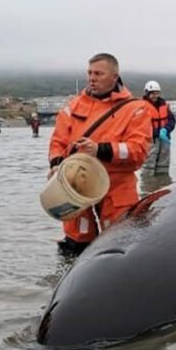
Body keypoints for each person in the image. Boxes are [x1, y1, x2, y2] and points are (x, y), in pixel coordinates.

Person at [48, 53, 151, 255]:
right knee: (74, 244)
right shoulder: (73, 107)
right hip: (76, 186)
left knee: (119, 246)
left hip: (117, 186)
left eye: (98, 73)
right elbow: (58, 141)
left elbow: (138, 151)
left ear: (114, 77)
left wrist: (100, 149)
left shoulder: (136, 109)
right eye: (89, 73)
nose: (92, 78)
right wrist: (56, 164)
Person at [140, 80, 175, 176]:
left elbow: (172, 120)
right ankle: (148, 187)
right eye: (152, 94)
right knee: (149, 165)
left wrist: (166, 129)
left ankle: (162, 183)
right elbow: (141, 125)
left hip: (164, 139)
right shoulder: (142, 107)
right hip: (151, 140)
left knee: (164, 165)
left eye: (157, 93)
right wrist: (156, 132)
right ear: (147, 93)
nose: (155, 96)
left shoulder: (164, 106)